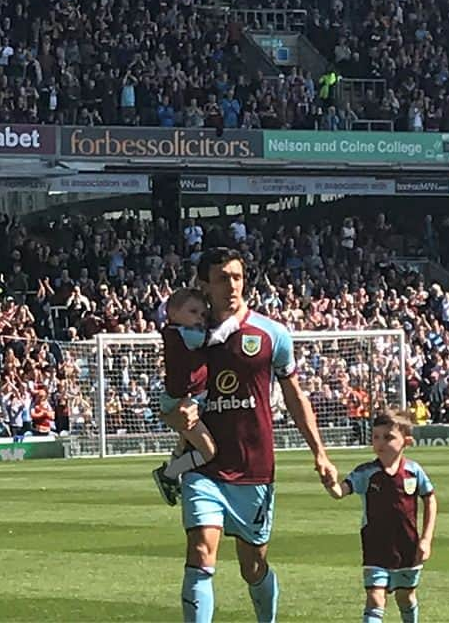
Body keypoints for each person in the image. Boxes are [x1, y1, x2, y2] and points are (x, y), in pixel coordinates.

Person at [161, 247, 338, 623]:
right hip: (206, 467)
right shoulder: (190, 332)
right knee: (200, 550)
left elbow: (294, 395)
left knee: (252, 566)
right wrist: (178, 414)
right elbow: (172, 397)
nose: (232, 285)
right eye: (223, 277)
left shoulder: (270, 333)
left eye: (237, 277)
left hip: (254, 466)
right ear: (204, 284)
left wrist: (319, 453)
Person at [325, 408, 437, 623]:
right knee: (376, 599)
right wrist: (330, 483)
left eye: (388, 437)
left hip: (407, 546)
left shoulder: (414, 471)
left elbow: (430, 499)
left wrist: (426, 539)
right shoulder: (366, 472)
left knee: (405, 597)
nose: (380, 443)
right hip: (376, 546)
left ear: (406, 441)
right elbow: (341, 492)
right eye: (376, 437)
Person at [152, 287, 241, 506]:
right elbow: (215, 337)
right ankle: (169, 474)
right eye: (193, 312)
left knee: (185, 444)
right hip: (184, 401)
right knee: (208, 451)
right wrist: (234, 320)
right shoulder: (183, 333)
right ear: (172, 313)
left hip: (189, 399)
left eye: (202, 314)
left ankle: (171, 474)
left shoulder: (176, 332)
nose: (199, 318)